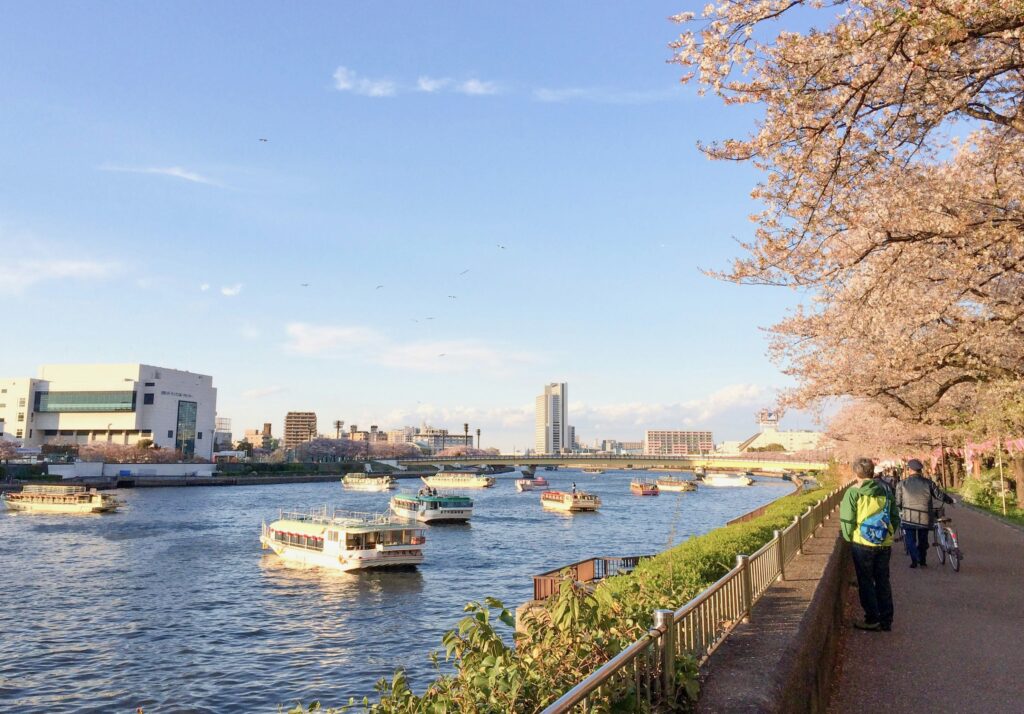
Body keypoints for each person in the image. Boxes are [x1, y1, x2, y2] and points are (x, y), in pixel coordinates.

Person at [840, 457, 901, 632]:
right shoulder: (886, 490)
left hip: (862, 543)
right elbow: (895, 516)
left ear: (856, 473)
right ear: (872, 472)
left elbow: (847, 520)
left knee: (866, 581)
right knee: (883, 580)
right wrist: (888, 533)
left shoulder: (853, 492)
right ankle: (886, 619)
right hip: (884, 543)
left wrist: (849, 537)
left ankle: (872, 618)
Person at [896, 458, 953, 568]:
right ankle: (922, 560)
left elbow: (898, 501)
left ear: (910, 470)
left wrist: (899, 509)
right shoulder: (928, 483)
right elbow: (939, 495)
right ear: (920, 470)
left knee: (910, 539)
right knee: (923, 539)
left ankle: (914, 560)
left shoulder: (902, 484)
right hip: (925, 515)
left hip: (909, 515)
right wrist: (950, 500)